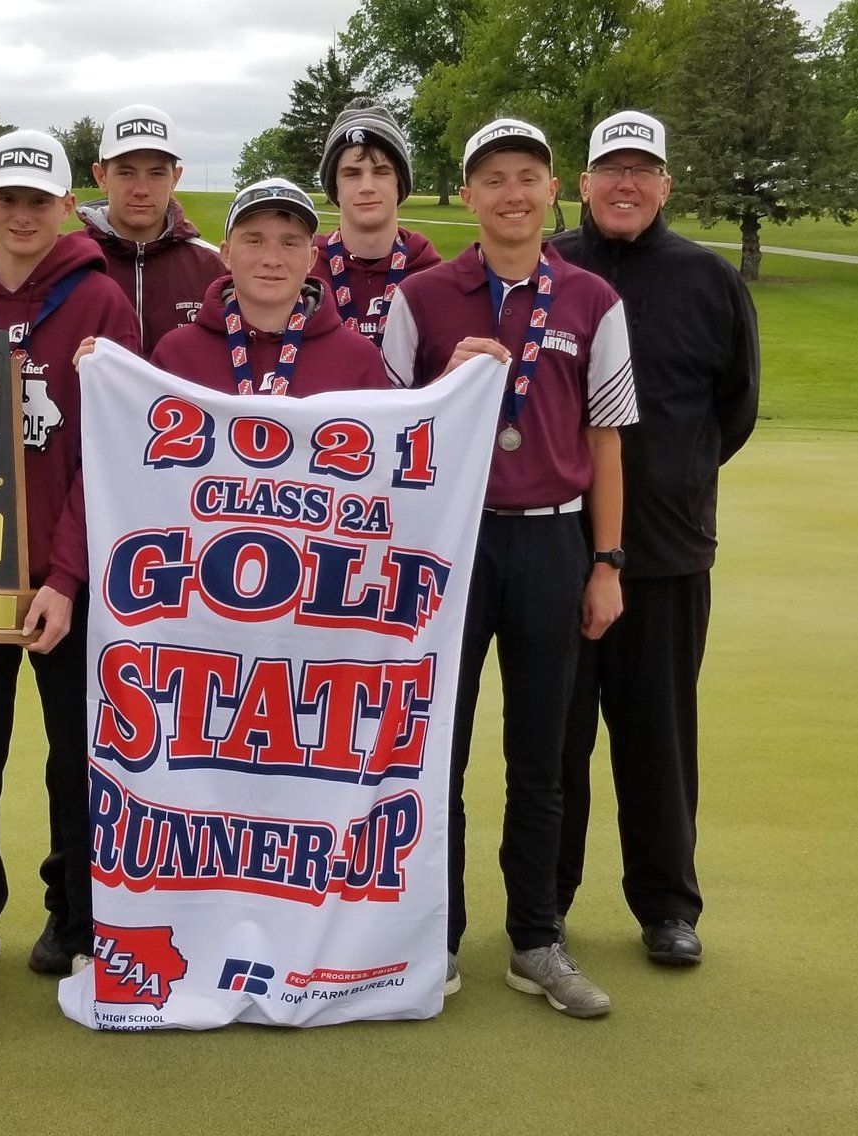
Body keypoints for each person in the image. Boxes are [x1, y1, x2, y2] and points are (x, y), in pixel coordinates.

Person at [379, 119, 639, 1018]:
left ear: (550, 185)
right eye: (492, 178)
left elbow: (604, 441)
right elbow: (381, 434)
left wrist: (605, 562)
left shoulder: (594, 301)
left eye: (527, 176)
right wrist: (436, 384)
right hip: (447, 545)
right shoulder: (420, 297)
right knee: (432, 754)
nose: (511, 194)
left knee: (542, 757)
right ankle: (431, 938)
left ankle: (535, 939)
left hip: (550, 542)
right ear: (466, 195)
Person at [0, 129, 142, 1012]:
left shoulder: (100, 305)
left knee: (77, 760)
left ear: (64, 206)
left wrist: (64, 575)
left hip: (68, 578)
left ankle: (79, 916)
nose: (21, 213)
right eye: (5, 198)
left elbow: (113, 455)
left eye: (36, 199)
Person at [552, 111, 759, 967]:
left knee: (657, 742)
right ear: (585, 181)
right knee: (553, 744)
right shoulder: (550, 268)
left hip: (668, 554)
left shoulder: (707, 279)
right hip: (556, 552)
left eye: (642, 170)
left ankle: (667, 907)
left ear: (665, 184)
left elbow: (732, 409)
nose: (625, 184)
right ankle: (542, 905)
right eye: (611, 169)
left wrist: (669, 482)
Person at [149, 176, 389, 396]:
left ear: (312, 259)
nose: (272, 260)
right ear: (227, 254)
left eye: (289, 243)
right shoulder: (177, 355)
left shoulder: (357, 360)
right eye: (254, 241)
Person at [77, 104, 224, 355]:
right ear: (101, 176)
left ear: (175, 178)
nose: (141, 189)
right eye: (126, 173)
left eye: (156, 174)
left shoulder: (216, 268)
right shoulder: (67, 264)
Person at [310, 99, 442, 348]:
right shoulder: (304, 272)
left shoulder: (433, 276)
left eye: (381, 172)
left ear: (399, 183)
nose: (367, 187)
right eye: (352, 173)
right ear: (334, 187)